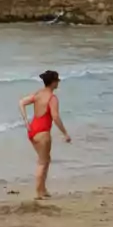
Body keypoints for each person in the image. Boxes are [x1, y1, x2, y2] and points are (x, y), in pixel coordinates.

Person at [19, 70, 71, 199]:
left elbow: (21, 102)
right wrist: (65, 133)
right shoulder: (52, 99)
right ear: (53, 83)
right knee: (43, 162)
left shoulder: (38, 94)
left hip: (32, 130)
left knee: (46, 159)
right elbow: (55, 117)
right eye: (57, 80)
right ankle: (38, 192)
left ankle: (43, 189)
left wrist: (26, 121)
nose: (58, 82)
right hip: (43, 132)